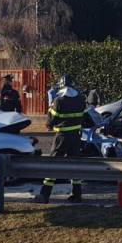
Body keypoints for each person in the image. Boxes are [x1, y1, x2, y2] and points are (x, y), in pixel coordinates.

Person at [36, 74, 86, 204]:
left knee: (53, 165)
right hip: (76, 137)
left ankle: (44, 195)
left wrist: (49, 124)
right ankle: (77, 195)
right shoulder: (81, 99)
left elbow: (51, 119)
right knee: (75, 166)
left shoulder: (59, 101)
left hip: (62, 137)